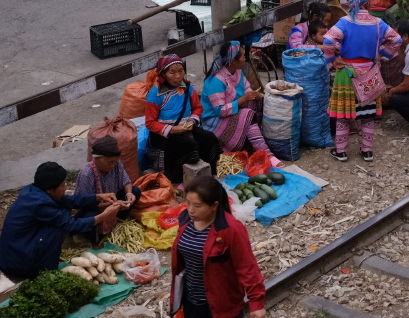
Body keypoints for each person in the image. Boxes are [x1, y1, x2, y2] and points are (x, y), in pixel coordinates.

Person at [170, 176, 267, 318]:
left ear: (214, 205)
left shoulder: (231, 229)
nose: (190, 210)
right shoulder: (186, 220)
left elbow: (247, 267)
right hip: (192, 303)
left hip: (222, 305)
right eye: (187, 203)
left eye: (197, 206)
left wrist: (256, 302)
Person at [0, 162, 122, 281]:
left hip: (13, 251)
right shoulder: (40, 204)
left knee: (63, 210)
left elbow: (69, 200)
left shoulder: (35, 190)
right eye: (62, 185)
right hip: (15, 263)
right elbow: (73, 225)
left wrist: (98, 197)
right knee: (57, 228)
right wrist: (105, 215)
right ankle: (44, 271)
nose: (65, 188)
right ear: (49, 190)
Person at [322, 0, 402, 163]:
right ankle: (367, 151)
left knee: (344, 114)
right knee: (368, 114)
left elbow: (328, 40)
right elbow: (397, 40)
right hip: (369, 72)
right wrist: (383, 53)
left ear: (352, 2)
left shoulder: (345, 22)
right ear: (368, 3)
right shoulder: (378, 23)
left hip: (347, 72)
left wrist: (332, 60)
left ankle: (341, 151)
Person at [144, 54, 222, 183]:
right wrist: (173, 129)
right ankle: (176, 179)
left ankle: (210, 174)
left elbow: (197, 108)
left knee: (209, 138)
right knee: (189, 146)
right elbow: (150, 123)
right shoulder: (155, 93)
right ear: (163, 74)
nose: (178, 76)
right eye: (172, 72)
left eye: (181, 71)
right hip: (164, 134)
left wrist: (192, 121)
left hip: (186, 128)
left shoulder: (187, 88)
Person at [201, 41, 281, 163]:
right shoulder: (216, 81)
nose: (245, 59)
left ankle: (255, 142)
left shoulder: (237, 71)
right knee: (247, 114)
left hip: (231, 111)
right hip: (214, 121)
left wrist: (252, 95)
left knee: (258, 102)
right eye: (243, 56)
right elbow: (220, 111)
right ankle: (266, 155)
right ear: (234, 61)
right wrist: (243, 99)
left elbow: (246, 87)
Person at [72, 136, 140, 242]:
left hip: (113, 202)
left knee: (135, 191)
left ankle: (118, 221)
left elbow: (126, 182)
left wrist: (129, 194)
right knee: (89, 217)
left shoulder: (116, 164)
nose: (113, 165)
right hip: (95, 208)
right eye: (109, 162)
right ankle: (96, 236)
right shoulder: (87, 173)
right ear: (97, 158)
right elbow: (84, 204)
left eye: (115, 161)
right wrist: (113, 205)